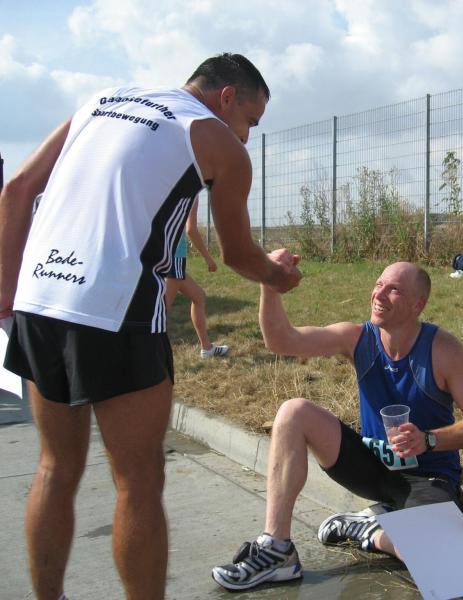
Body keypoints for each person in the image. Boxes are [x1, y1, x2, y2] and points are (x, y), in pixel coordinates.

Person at [0, 53, 302, 600]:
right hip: (117, 307)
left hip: (40, 299)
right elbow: (238, 254)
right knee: (138, 480)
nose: (246, 137)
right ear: (226, 97)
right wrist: (278, 277)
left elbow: (17, 188)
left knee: (54, 468)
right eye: (250, 121)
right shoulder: (216, 140)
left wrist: (6, 293)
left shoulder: (102, 100)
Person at [211, 259, 463, 591]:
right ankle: (277, 549)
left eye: (394, 290)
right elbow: (281, 340)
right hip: (371, 467)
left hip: (426, 477)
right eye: (378, 284)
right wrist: (268, 280)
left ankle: (371, 532)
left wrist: (428, 439)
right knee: (293, 412)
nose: (379, 294)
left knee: (453, 573)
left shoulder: (442, 349)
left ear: (418, 305)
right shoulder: (358, 338)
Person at [164, 196, 228, 359]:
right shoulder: (191, 193)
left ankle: (206, 348)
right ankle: (146, 356)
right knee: (160, 311)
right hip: (174, 258)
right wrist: (208, 258)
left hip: (162, 255)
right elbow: (191, 230)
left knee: (198, 296)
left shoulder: (165, 187)